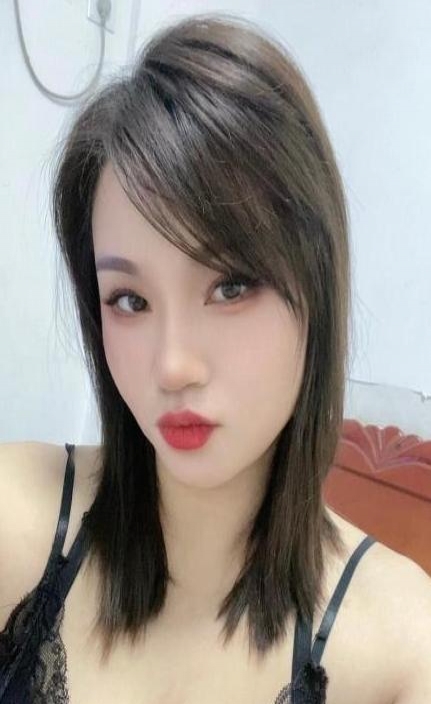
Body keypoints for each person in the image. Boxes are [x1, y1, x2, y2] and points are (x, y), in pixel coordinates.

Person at [0, 11, 430, 704]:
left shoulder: (401, 649)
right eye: (130, 300)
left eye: (230, 287)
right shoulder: (17, 518)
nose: (172, 366)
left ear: (314, 288)